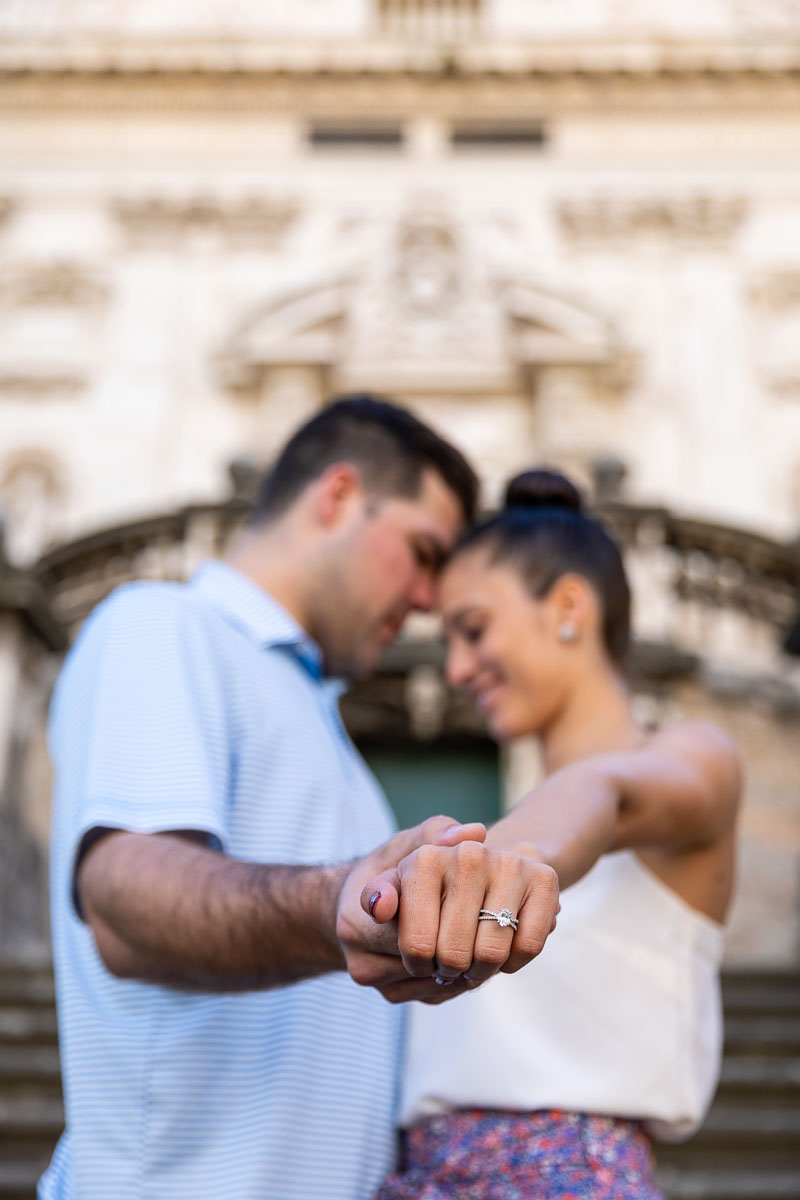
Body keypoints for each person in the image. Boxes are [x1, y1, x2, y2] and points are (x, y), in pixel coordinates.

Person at [38, 397, 560, 1200]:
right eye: (423, 553)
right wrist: (334, 903)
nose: (428, 601)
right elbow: (121, 894)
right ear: (338, 496)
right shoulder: (165, 625)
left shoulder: (320, 722)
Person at [368, 468, 741, 1200]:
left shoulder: (692, 757)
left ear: (569, 605)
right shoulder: (519, 811)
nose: (455, 668)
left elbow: (603, 792)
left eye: (473, 629)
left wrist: (519, 860)